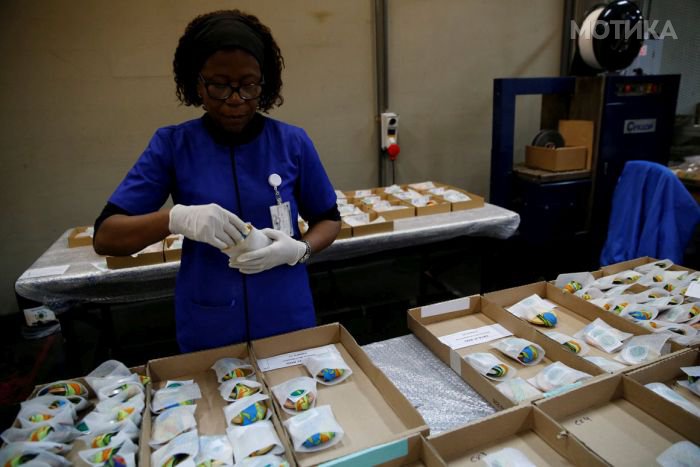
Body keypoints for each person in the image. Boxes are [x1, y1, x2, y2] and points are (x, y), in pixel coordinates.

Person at [93, 10, 341, 353]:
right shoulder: (173, 146)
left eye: (248, 85)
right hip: (211, 319)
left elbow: (328, 219)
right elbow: (107, 236)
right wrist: (175, 218)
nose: (236, 99)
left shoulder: (292, 143)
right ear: (197, 83)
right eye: (220, 85)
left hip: (286, 310)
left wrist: (301, 249)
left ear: (264, 83)